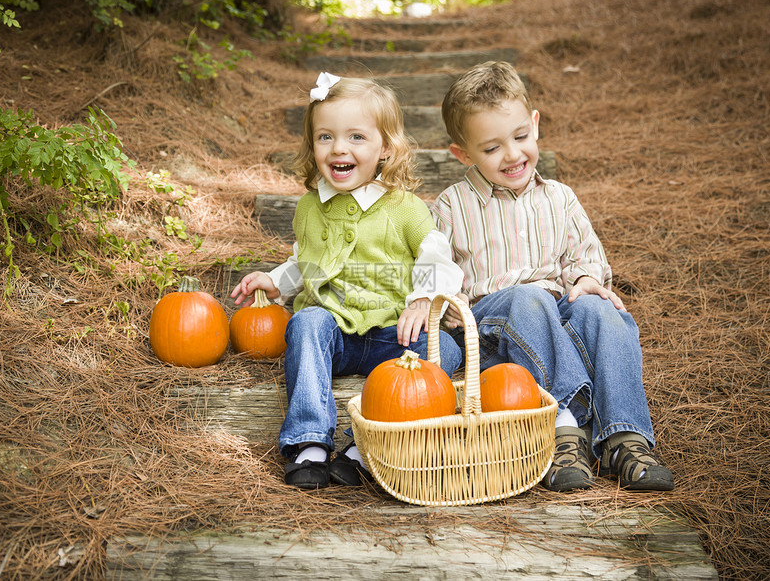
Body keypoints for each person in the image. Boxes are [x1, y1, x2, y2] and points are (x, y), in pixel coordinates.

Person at [432, 61, 674, 492]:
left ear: (535, 125)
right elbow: (435, 271)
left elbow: (586, 254)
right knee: (529, 298)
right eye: (491, 149)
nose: (512, 155)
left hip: (558, 313)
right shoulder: (451, 206)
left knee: (602, 310)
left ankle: (625, 437)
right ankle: (564, 428)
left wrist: (585, 280)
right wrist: (448, 305)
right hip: (497, 329)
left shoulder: (559, 197)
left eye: (521, 137)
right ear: (462, 154)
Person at [231, 73, 464, 490]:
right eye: (326, 137)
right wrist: (275, 280)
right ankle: (310, 443)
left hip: (393, 337)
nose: (339, 148)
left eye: (356, 137)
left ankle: (364, 447)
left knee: (444, 349)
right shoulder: (309, 208)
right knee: (304, 324)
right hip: (333, 333)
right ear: (313, 146)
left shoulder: (404, 208)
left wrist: (422, 300)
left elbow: (437, 256)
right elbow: (309, 262)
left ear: (385, 148)